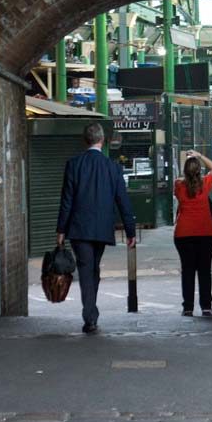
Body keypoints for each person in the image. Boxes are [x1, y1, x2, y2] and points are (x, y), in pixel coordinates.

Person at [56, 123, 137, 334]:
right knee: (93, 268)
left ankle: (90, 315)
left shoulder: (74, 164)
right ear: (102, 140)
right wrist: (130, 231)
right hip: (101, 228)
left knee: (86, 268)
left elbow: (67, 200)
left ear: (86, 140)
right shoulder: (113, 167)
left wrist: (61, 230)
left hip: (79, 228)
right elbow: (123, 201)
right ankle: (91, 312)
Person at [173, 150, 212, 317]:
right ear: (199, 171)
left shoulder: (178, 185)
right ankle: (206, 306)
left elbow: (181, 181)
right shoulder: (206, 184)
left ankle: (188, 307)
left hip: (184, 234)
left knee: (187, 270)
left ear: (185, 172)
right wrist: (199, 155)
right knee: (205, 270)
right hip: (206, 232)